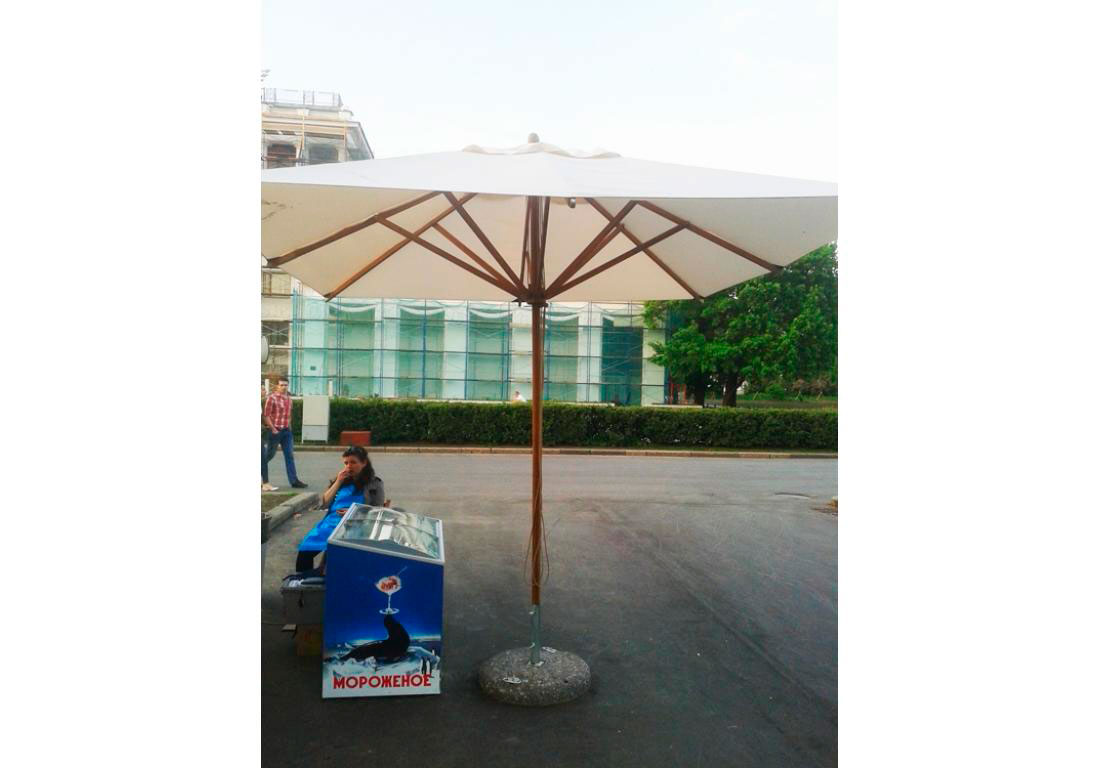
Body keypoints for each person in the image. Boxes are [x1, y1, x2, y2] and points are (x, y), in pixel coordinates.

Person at [295, 446, 391, 572]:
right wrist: (338, 482)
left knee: (336, 558)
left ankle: (325, 577)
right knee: (305, 551)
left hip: (355, 526)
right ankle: (303, 580)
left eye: (353, 462)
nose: (349, 466)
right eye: (346, 463)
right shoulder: (341, 479)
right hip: (331, 523)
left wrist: (354, 512)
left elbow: (378, 511)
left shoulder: (375, 483)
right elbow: (324, 504)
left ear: (364, 463)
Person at [262, 377, 307, 490]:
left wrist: (289, 428)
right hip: (275, 431)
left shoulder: (289, 399)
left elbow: (288, 415)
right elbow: (266, 415)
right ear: (277, 386)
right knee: (268, 455)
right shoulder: (271, 398)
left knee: (289, 455)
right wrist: (273, 428)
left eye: (285, 385)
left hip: (286, 432)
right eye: (281, 385)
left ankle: (294, 481)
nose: (283, 387)